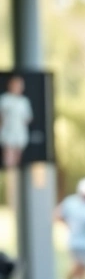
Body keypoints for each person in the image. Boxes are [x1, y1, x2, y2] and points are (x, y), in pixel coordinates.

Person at [0, 75, 33, 209]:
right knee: (9, 160)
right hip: (8, 133)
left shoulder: (24, 101)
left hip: (19, 134)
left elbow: (27, 118)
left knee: (17, 161)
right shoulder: (4, 100)